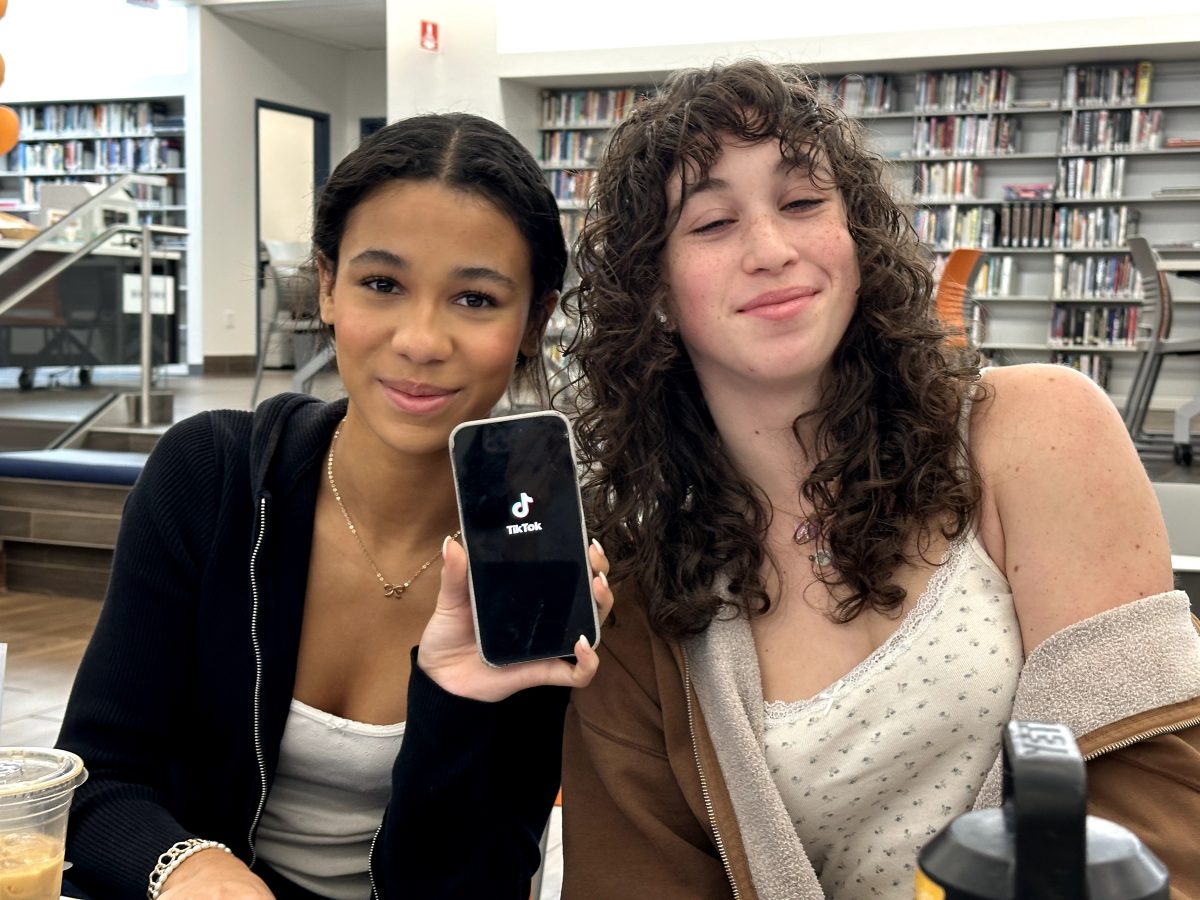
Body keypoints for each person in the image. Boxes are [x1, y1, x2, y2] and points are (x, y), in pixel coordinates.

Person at [560, 59, 1200, 899]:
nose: (772, 250)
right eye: (711, 223)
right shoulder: (640, 595)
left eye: (801, 203)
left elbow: (1160, 800)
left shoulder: (1037, 431)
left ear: (856, 237)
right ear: (656, 295)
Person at [55, 112, 613, 900]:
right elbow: (96, 781)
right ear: (326, 285)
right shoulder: (211, 478)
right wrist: (192, 870)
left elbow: (475, 879)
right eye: (382, 284)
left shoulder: (539, 557)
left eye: (476, 299)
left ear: (536, 321)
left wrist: (455, 698)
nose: (420, 340)